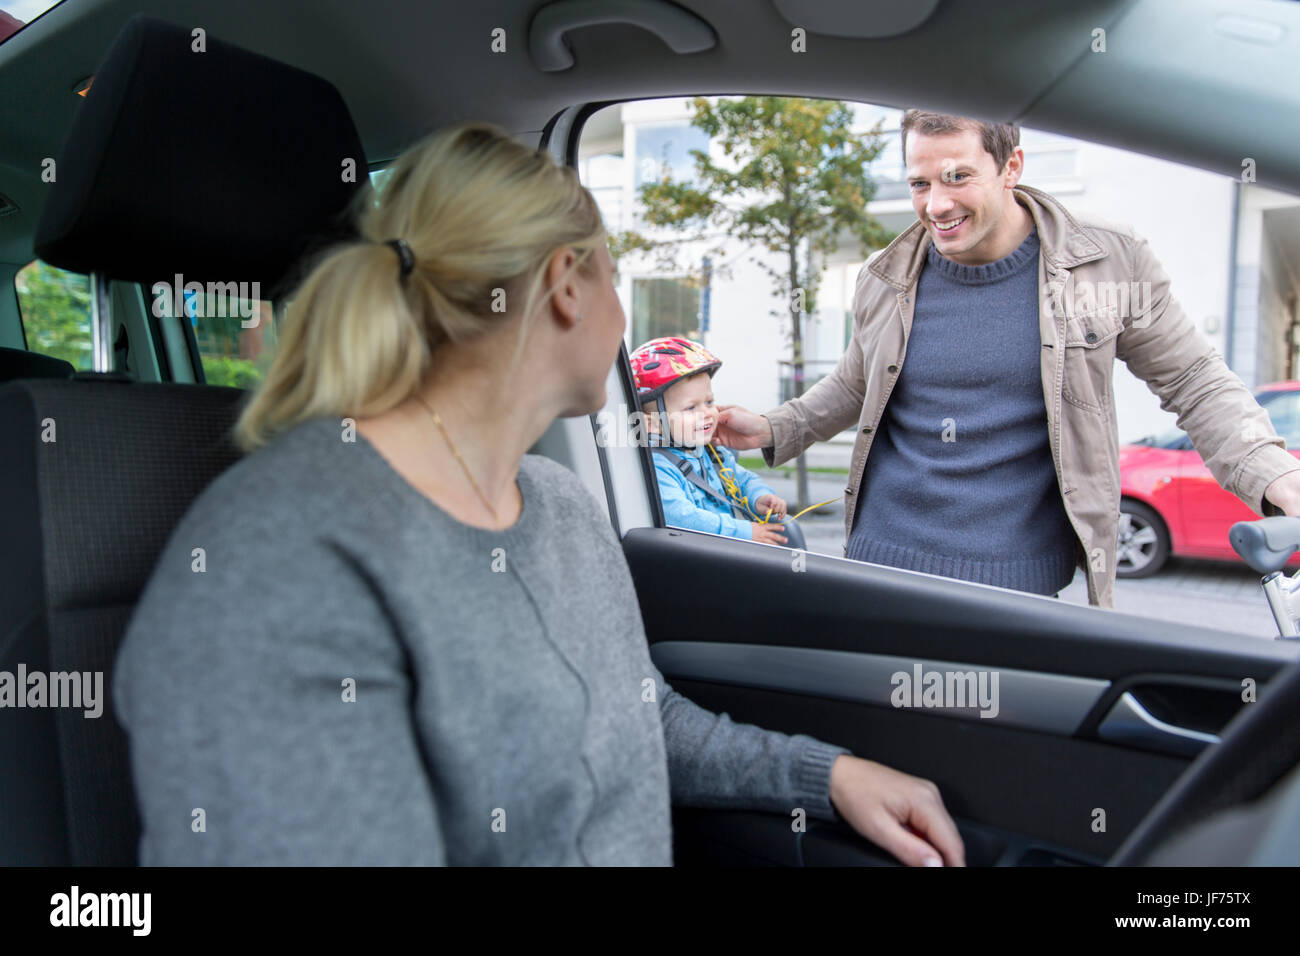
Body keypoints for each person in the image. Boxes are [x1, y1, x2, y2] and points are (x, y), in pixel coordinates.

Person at [112, 121, 964, 866]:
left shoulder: (554, 500)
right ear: (566, 283)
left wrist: (829, 775)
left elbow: (638, 723)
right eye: (616, 279)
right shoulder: (276, 565)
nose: (624, 320)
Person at [717, 110, 1300, 608]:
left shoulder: (1107, 261)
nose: (936, 204)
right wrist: (774, 426)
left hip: (1018, 586)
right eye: (919, 183)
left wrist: (1274, 474)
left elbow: (1195, 381)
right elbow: (855, 384)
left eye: (958, 177)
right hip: (882, 563)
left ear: (1012, 167)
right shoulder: (884, 276)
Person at [631, 336, 789, 544]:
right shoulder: (659, 467)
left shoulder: (711, 453)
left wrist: (760, 497)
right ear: (651, 423)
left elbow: (743, 479)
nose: (706, 413)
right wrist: (742, 532)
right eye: (691, 407)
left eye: (709, 401)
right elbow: (682, 518)